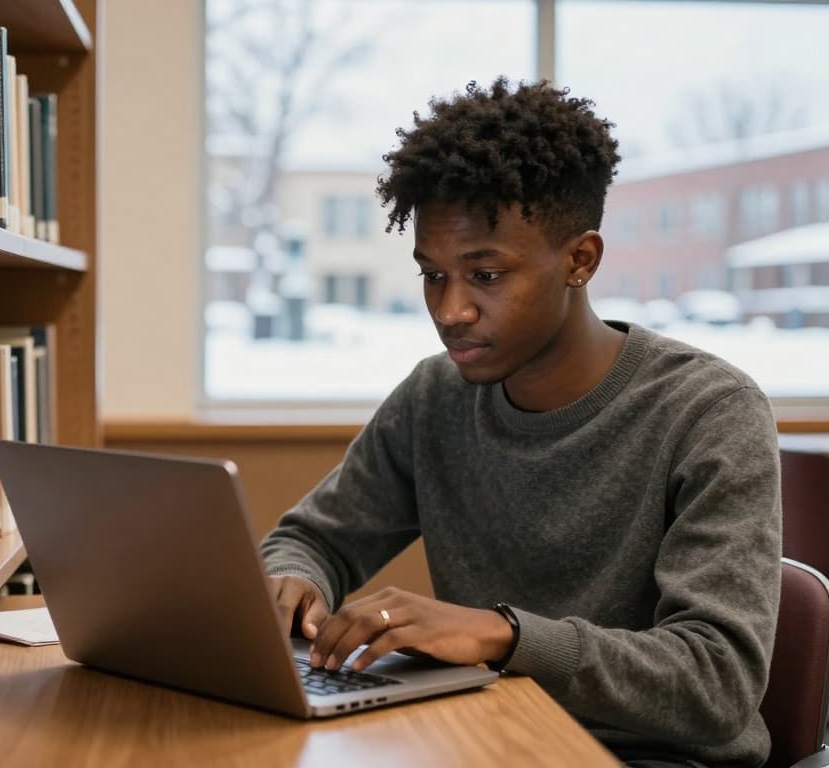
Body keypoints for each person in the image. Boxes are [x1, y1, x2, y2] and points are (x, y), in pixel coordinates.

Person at [260, 77, 781, 768]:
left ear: (579, 260)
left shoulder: (710, 410)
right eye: (433, 275)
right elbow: (312, 540)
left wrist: (503, 636)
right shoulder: (433, 397)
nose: (451, 311)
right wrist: (293, 582)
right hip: (488, 738)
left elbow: (717, 683)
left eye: (486, 275)